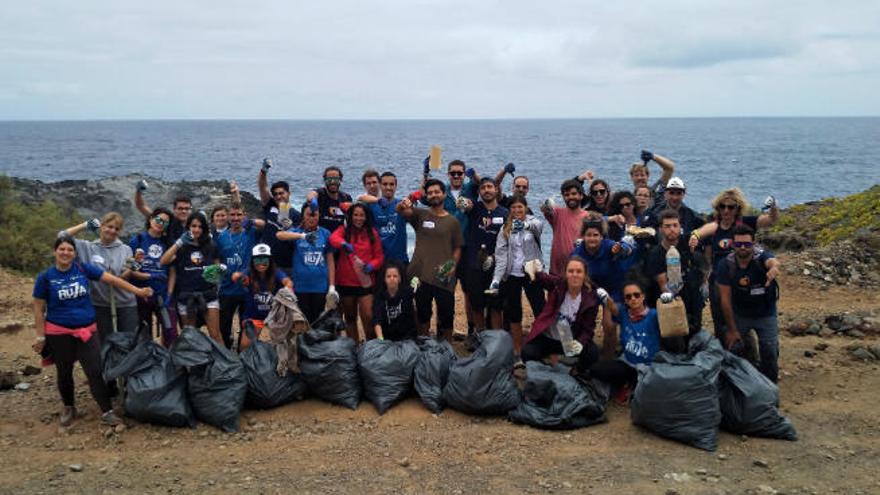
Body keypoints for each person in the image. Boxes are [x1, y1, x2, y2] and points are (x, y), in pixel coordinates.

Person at [32, 236, 152, 427]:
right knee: (64, 371)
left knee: (95, 371)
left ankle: (106, 411)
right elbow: (38, 309)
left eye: (70, 250)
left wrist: (138, 292)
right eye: (61, 249)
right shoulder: (45, 277)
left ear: (74, 253)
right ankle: (69, 407)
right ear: (55, 252)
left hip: (87, 331)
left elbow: (113, 280)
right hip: (59, 332)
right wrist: (40, 336)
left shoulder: (83, 269)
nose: (65, 253)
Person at [690, 188, 779, 338]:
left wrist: (773, 207)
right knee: (720, 320)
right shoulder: (714, 227)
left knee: (742, 319)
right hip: (718, 281)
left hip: (742, 279)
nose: (726, 211)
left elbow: (771, 220)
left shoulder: (746, 223)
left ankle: (748, 350)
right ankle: (725, 352)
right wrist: (705, 277)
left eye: (731, 207)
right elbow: (707, 253)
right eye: (722, 207)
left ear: (738, 208)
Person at [60, 213, 139, 355]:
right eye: (109, 226)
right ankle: (109, 375)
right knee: (105, 343)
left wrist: (132, 268)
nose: (112, 231)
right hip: (99, 304)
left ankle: (127, 375)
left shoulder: (125, 249)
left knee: (129, 342)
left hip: (125, 303)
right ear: (102, 226)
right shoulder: (86, 248)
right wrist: (85, 225)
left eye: (117, 228)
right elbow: (61, 237)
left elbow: (123, 276)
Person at [397, 179, 463, 340]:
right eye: (430, 192)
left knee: (447, 316)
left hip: (443, 275)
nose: (434, 195)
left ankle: (447, 348)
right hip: (419, 275)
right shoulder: (420, 214)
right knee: (423, 314)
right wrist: (411, 198)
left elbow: (458, 247)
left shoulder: (452, 221)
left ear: (444, 194)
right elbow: (400, 210)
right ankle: (424, 346)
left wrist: (452, 266)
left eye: (437, 192)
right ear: (426, 195)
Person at [716, 224, 782, 382]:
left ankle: (770, 386)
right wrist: (732, 329)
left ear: (754, 244)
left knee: (769, 351)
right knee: (733, 349)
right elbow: (725, 299)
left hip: (765, 312)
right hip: (740, 314)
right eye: (739, 244)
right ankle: (738, 385)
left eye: (747, 244)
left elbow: (773, 262)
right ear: (733, 245)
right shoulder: (726, 265)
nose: (743, 248)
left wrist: (773, 269)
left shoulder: (761, 257)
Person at [521, 256, 607, 370]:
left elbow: (588, 329)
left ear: (585, 275)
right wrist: (530, 267)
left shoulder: (590, 298)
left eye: (579, 271)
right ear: (565, 273)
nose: (574, 275)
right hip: (549, 338)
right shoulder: (558, 284)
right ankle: (548, 366)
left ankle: (575, 370)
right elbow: (540, 277)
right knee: (527, 352)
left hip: (570, 339)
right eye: (570, 271)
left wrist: (580, 343)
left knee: (592, 352)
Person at [583, 280, 664, 402]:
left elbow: (673, 324)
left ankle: (634, 388)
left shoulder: (654, 315)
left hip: (650, 367)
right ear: (625, 300)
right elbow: (613, 308)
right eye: (628, 296)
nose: (633, 299)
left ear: (643, 296)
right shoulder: (624, 314)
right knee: (596, 369)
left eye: (636, 295)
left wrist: (669, 301)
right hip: (628, 364)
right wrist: (606, 298)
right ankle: (626, 385)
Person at [489, 194, 545, 356]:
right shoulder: (504, 229)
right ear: (510, 210)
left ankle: (543, 347)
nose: (517, 210)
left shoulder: (533, 222)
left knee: (540, 309)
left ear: (526, 208)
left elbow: (539, 227)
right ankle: (517, 349)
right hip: (512, 275)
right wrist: (496, 280)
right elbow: (500, 256)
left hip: (532, 273)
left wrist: (525, 225)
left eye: (520, 207)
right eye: (513, 207)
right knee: (514, 313)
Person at [160, 212, 223, 343]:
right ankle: (194, 362)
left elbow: (218, 270)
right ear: (188, 227)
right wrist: (178, 243)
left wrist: (217, 272)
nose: (196, 229)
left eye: (200, 226)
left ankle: (224, 362)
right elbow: (163, 261)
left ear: (204, 228)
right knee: (190, 337)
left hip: (208, 294)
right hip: (186, 296)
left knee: (215, 335)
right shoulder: (181, 246)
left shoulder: (211, 245)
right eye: (193, 226)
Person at [643, 209, 708, 333]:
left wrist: (696, 235)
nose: (672, 229)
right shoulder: (655, 254)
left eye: (675, 225)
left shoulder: (686, 242)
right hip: (672, 302)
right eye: (667, 226)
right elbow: (663, 286)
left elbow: (711, 227)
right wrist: (677, 308)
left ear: (680, 227)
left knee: (695, 333)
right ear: (660, 229)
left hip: (693, 297)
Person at [459, 178, 509, 332]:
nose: (486, 190)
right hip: (475, 267)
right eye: (483, 188)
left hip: (496, 269)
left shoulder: (505, 213)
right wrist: (463, 202)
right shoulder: (475, 209)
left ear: (496, 190)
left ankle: (496, 340)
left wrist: (494, 258)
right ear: (479, 192)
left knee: (495, 307)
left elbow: (509, 242)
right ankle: (479, 337)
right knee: (477, 306)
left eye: (490, 187)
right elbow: (465, 205)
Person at [329, 203, 384, 341]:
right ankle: (354, 347)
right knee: (350, 318)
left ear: (366, 217)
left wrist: (372, 265)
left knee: (369, 317)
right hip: (345, 282)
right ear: (350, 216)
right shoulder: (344, 230)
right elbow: (332, 239)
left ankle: (370, 348)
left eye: (362, 215)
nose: (358, 218)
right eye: (355, 215)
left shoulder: (372, 233)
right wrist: (343, 243)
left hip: (366, 282)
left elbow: (379, 257)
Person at [276, 202, 337, 324]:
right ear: (303, 216)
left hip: (320, 287)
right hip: (300, 287)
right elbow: (279, 235)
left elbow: (330, 262)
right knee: (303, 324)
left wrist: (331, 287)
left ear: (319, 215)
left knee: (318, 324)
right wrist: (302, 236)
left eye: (315, 215)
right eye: (308, 215)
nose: (312, 218)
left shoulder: (325, 234)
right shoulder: (297, 232)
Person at [215, 203, 265, 349]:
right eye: (233, 215)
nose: (236, 218)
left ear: (244, 216)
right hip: (226, 289)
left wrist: (252, 221)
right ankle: (226, 353)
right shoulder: (222, 237)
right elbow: (218, 259)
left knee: (247, 326)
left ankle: (242, 354)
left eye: (239, 215)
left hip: (247, 288)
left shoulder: (251, 232)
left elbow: (264, 225)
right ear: (228, 217)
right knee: (224, 326)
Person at [128, 207, 177, 346]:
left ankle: (171, 364)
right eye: (158, 219)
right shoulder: (136, 240)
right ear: (150, 219)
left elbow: (172, 271)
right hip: (141, 295)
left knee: (171, 332)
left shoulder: (168, 243)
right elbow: (130, 269)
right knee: (144, 335)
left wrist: (170, 293)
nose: (160, 223)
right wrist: (151, 276)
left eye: (165, 222)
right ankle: (148, 364)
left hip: (162, 294)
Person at [230, 243, 292, 350]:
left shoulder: (276, 272)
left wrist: (287, 289)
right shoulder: (248, 273)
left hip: (274, 317)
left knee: (282, 346)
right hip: (254, 316)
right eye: (257, 260)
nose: (261, 263)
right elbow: (236, 276)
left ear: (270, 261)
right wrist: (238, 277)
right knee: (245, 346)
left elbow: (288, 282)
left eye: (265, 260)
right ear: (253, 261)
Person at [570, 219, 637, 306]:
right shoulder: (576, 254)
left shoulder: (609, 246)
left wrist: (621, 249)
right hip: (591, 293)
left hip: (615, 292)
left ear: (601, 236)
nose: (592, 238)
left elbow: (627, 249)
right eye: (588, 235)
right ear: (583, 237)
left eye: (595, 235)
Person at [257, 160, 300, 275]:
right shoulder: (270, 205)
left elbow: (299, 239)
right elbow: (262, 186)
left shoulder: (296, 215)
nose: (278, 196)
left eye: (281, 193)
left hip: (287, 265)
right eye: (275, 194)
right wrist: (264, 171)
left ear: (289, 193)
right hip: (267, 262)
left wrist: (290, 228)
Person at [357, 171, 409, 265]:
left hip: (400, 259)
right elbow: (360, 199)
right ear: (380, 186)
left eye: (391, 184)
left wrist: (411, 201)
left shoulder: (402, 204)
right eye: (385, 184)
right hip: (379, 260)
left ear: (396, 186)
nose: (388, 187)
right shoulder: (372, 205)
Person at [541, 179, 588, 276]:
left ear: (581, 195)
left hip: (578, 271)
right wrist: (546, 206)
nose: (570, 197)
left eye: (574, 193)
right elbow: (547, 208)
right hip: (556, 271)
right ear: (563, 197)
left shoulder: (588, 217)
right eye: (566, 195)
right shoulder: (557, 213)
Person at [372, 261, 417, 341]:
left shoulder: (407, 292)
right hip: (387, 338)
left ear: (400, 278)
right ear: (384, 279)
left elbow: (417, 287)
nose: (392, 279)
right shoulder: (379, 297)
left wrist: (417, 283)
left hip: (407, 338)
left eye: (395, 276)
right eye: (388, 276)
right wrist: (380, 339)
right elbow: (377, 320)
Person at [306, 166, 353, 233]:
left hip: (338, 236)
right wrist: (312, 200)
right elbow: (312, 195)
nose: (333, 182)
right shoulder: (320, 194)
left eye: (336, 179)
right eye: (329, 179)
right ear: (325, 180)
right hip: (321, 235)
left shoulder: (346, 198)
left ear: (340, 180)